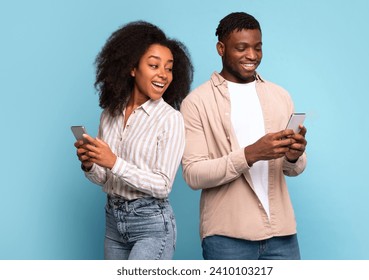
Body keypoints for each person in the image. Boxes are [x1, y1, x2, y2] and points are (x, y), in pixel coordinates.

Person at [180, 12, 307, 260]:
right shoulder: (197, 102)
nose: (252, 56)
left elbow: (294, 169)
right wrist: (250, 154)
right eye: (242, 48)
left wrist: (293, 157)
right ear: (221, 48)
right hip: (227, 237)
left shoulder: (280, 96)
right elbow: (193, 175)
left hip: (282, 234)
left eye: (258, 48)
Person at [74, 21, 193, 260]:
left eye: (169, 68)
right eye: (154, 65)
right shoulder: (109, 114)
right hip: (113, 222)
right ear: (132, 68)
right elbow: (105, 178)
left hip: (151, 225)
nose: (163, 74)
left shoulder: (170, 119)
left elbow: (162, 185)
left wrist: (114, 162)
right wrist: (90, 164)